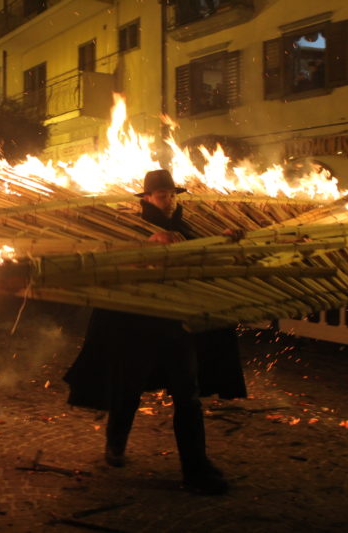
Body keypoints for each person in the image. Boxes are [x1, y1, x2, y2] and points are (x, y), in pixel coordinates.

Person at [63, 169, 247, 495]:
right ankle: (115, 444)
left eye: (173, 195)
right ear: (147, 198)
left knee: (187, 396)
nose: (170, 201)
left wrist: (226, 238)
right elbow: (108, 258)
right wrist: (145, 245)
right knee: (128, 389)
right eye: (163, 196)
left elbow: (202, 253)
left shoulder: (184, 226)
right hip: (137, 326)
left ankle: (195, 469)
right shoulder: (130, 226)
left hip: (178, 326)